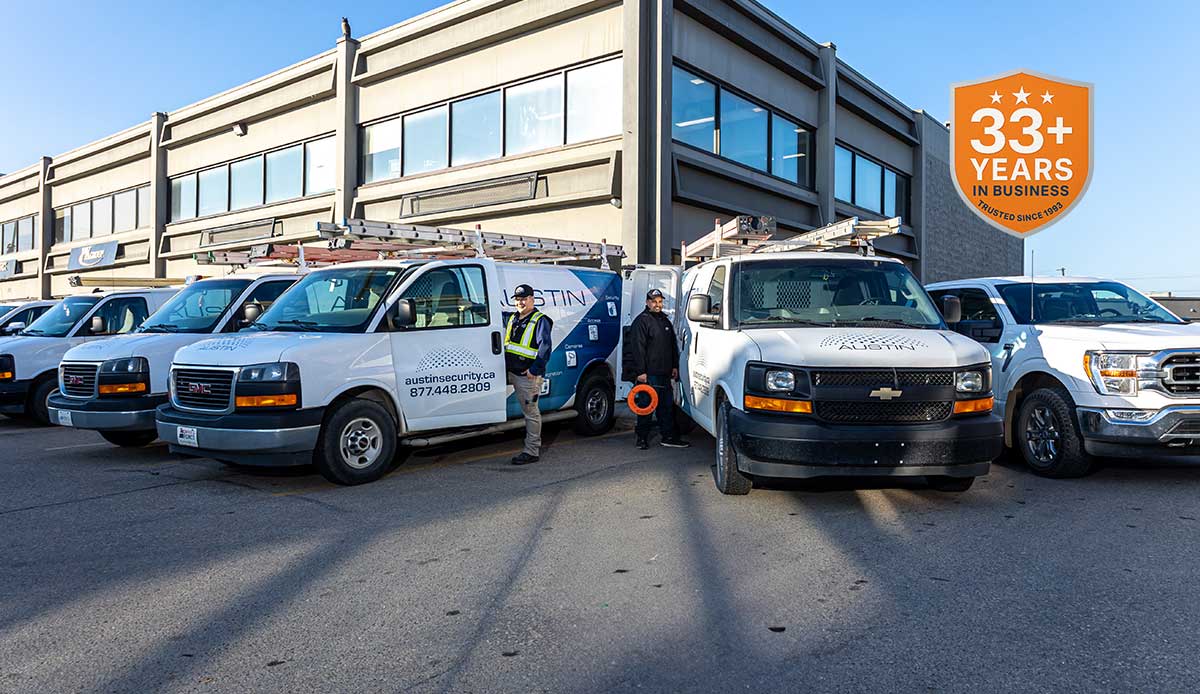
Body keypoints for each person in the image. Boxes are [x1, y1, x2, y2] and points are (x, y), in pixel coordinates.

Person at [629, 289, 689, 449]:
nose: (658, 304)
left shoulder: (665, 321)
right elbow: (637, 348)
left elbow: (672, 346)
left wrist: (674, 366)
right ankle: (641, 438)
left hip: (664, 373)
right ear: (648, 302)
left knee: (666, 407)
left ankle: (668, 437)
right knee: (646, 407)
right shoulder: (642, 321)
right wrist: (641, 371)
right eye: (654, 301)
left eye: (660, 301)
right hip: (649, 375)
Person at [504, 284, 553, 465]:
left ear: (532, 299)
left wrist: (535, 370)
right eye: (517, 299)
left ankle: (532, 450)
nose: (520, 302)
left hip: (527, 376)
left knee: (531, 412)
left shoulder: (540, 320)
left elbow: (545, 347)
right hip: (511, 371)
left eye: (524, 299)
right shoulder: (513, 318)